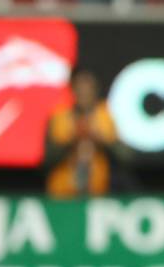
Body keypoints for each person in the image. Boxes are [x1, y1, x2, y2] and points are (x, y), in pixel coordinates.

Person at [45, 68, 130, 198]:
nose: (83, 93)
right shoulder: (60, 117)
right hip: (61, 193)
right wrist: (72, 140)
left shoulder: (104, 116)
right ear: (72, 90)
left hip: (99, 192)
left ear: (95, 91)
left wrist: (102, 140)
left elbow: (125, 156)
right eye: (79, 89)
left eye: (87, 89)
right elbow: (47, 159)